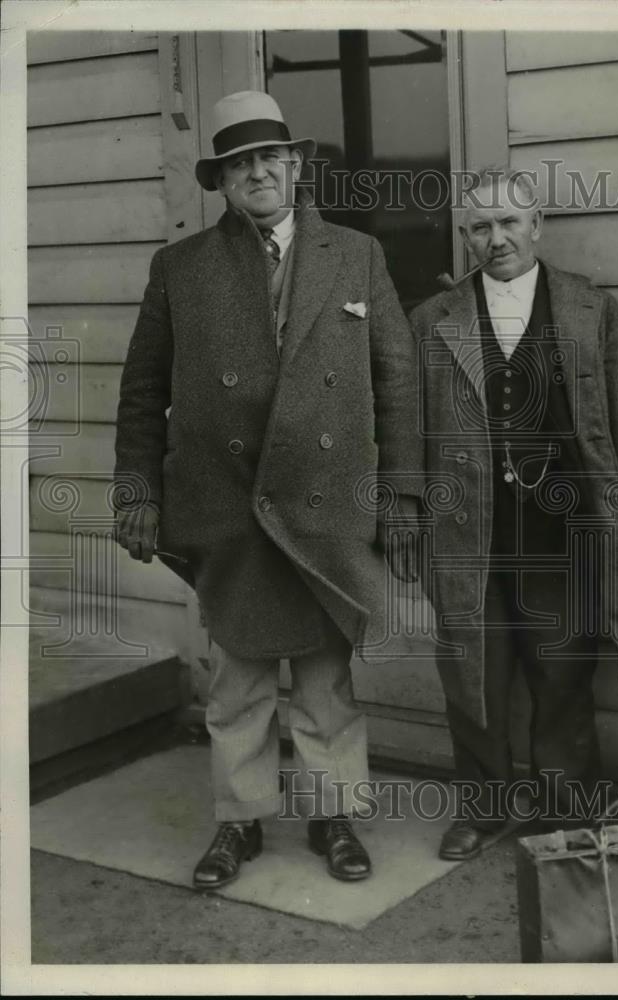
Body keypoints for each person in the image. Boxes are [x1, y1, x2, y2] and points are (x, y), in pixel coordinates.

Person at [114, 91, 421, 888]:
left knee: (325, 684)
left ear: (295, 166)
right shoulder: (180, 268)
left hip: (325, 508)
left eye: (270, 158)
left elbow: (397, 381)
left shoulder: (356, 255)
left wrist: (402, 495)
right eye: (240, 162)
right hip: (229, 505)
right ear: (221, 180)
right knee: (239, 683)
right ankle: (237, 823)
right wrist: (137, 492)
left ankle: (334, 817)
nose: (258, 172)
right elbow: (144, 392)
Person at [409, 165, 618, 860]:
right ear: (465, 237)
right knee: (473, 677)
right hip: (469, 534)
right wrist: (412, 525)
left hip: (563, 532)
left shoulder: (587, 310)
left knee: (563, 674)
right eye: (480, 227)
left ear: (537, 226)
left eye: (509, 223)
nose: (496, 239)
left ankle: (563, 814)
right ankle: (482, 810)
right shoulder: (432, 322)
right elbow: (409, 434)